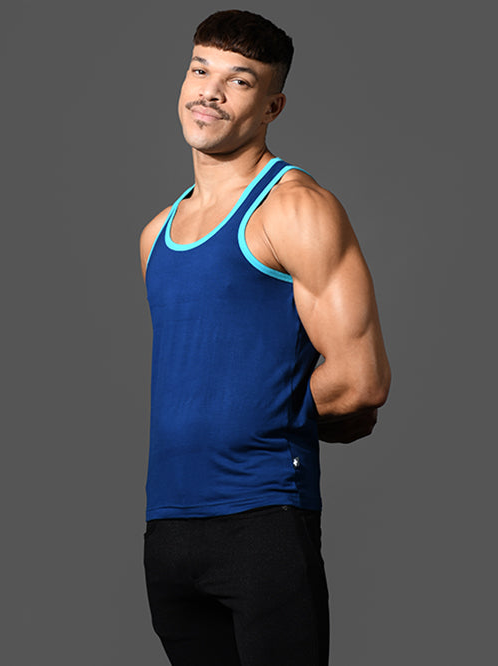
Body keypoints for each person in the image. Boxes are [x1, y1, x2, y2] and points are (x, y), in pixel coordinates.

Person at [139, 9, 391, 666]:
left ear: (272, 106)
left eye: (239, 80)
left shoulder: (296, 208)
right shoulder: (156, 234)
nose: (210, 92)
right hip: (167, 529)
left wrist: (265, 423)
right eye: (200, 70)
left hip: (262, 523)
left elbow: (361, 380)